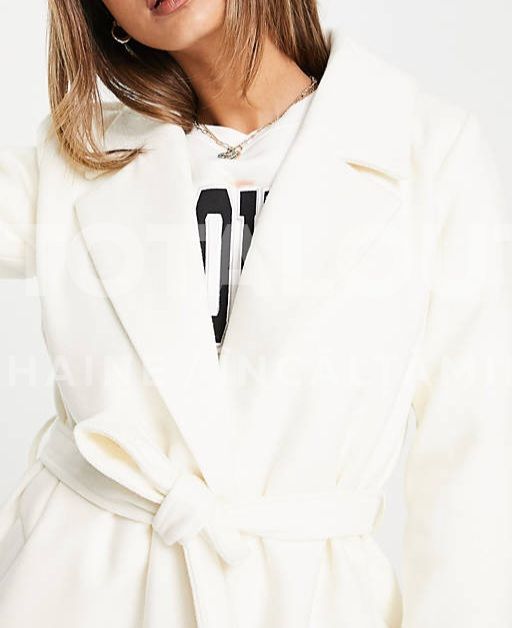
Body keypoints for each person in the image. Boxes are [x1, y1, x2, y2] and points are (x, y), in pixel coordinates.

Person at [0, 0, 511, 627]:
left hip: (308, 601)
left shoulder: (425, 152)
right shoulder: (78, 157)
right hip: (75, 591)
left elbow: (472, 461)